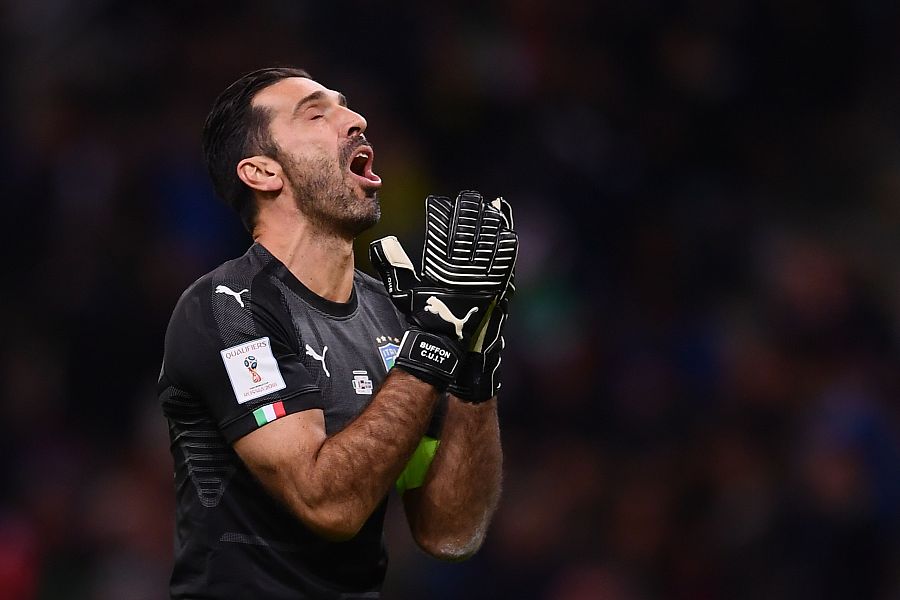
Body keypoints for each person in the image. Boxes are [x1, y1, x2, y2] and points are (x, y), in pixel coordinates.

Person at [157, 66, 516, 599]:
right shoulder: (228, 307)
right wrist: (434, 344)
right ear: (262, 172)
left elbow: (449, 533)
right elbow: (327, 505)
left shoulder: (395, 317)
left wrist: (472, 377)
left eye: (346, 106)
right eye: (316, 115)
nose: (357, 120)